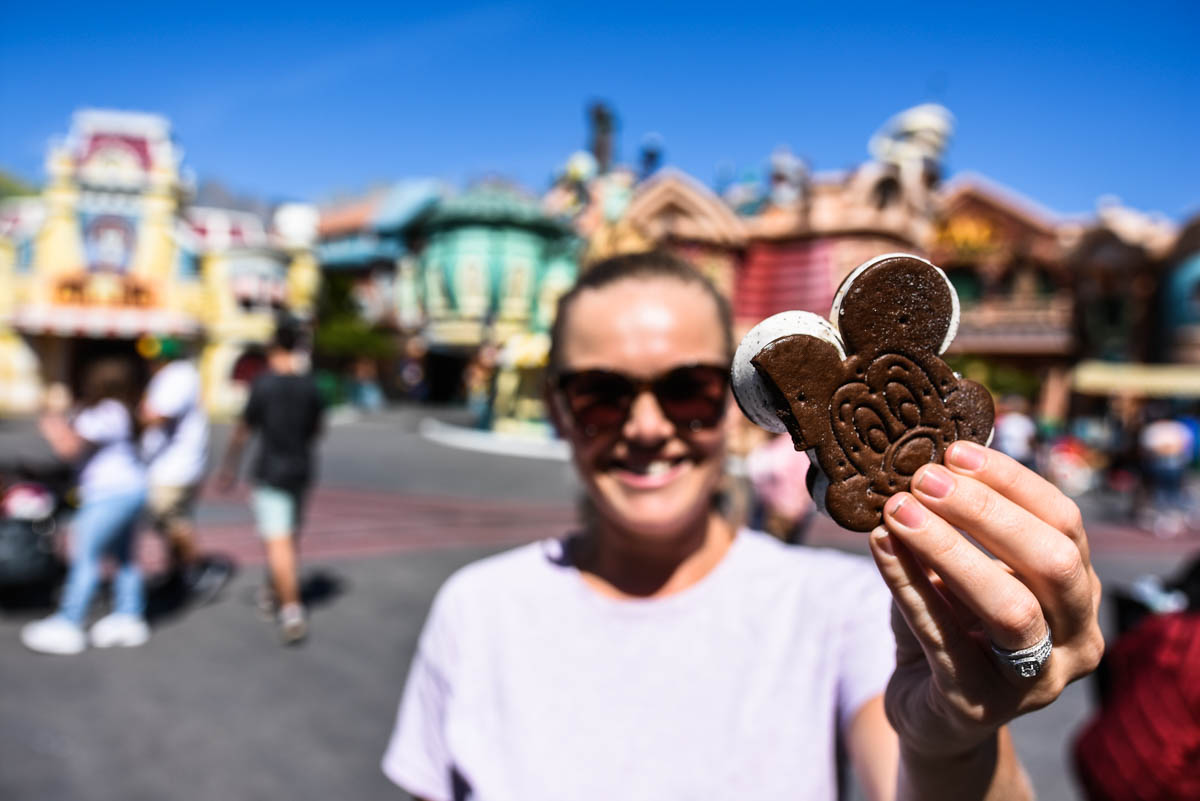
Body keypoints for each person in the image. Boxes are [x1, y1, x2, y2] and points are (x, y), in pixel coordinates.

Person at [381, 252, 1104, 801]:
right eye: (601, 394)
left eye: (687, 391)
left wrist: (955, 741)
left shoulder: (843, 608)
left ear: (746, 404)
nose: (645, 427)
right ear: (559, 408)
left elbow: (908, 764)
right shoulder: (476, 609)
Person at [20, 358, 150, 654]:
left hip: (107, 494)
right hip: (131, 489)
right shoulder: (124, 411)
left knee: (85, 557)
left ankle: (70, 621)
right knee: (125, 558)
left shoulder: (105, 412)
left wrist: (51, 423)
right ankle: (129, 615)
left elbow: (69, 448)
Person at [217, 323, 324, 645]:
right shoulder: (311, 386)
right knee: (287, 537)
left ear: (273, 347)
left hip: (270, 471)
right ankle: (273, 590)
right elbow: (317, 430)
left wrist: (229, 467)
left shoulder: (262, 385)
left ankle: (292, 610)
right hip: (302, 471)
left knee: (278, 543)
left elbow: (243, 430)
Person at [139, 336, 230, 601]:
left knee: (171, 520)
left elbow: (156, 415)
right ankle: (178, 573)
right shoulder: (173, 376)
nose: (150, 362)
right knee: (171, 521)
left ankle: (198, 569)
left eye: (155, 357)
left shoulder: (177, 376)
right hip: (170, 464)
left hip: (175, 467)